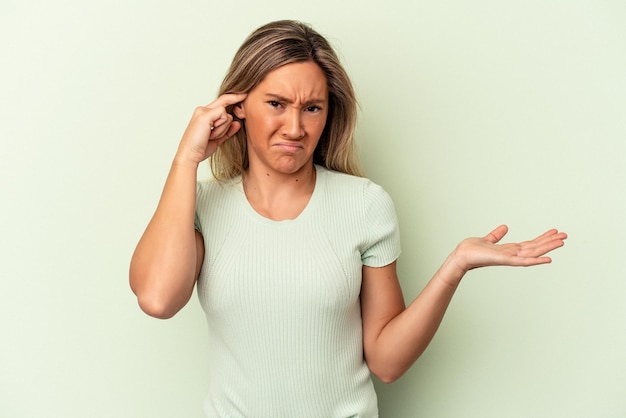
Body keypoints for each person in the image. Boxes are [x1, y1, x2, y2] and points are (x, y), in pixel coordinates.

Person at [129, 19, 567, 418]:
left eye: (312, 108)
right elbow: (158, 299)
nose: (296, 127)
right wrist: (186, 160)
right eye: (277, 104)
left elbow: (387, 362)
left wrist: (454, 267)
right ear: (238, 106)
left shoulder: (364, 204)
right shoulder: (202, 205)